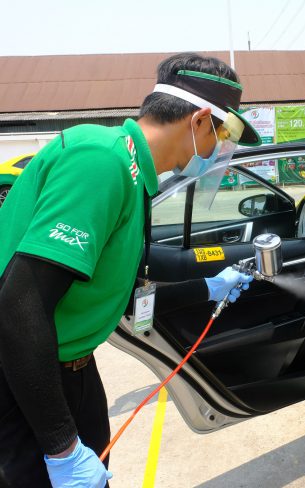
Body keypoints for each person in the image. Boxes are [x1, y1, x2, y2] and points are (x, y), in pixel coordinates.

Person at [0, 52, 261, 487]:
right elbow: (17, 309)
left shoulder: (133, 172)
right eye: (220, 135)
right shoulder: (102, 163)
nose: (216, 151)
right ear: (198, 121)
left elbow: (124, 283)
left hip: (70, 369)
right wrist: (61, 448)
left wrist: (209, 285)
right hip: (24, 377)